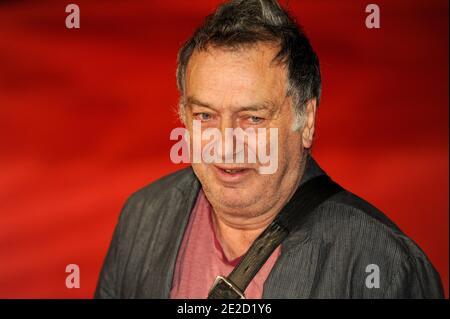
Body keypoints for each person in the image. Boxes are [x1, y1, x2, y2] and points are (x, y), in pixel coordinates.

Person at [95, 0, 444, 298]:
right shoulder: (142, 218)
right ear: (184, 116)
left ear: (305, 121)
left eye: (253, 118)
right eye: (205, 115)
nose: (226, 142)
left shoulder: (385, 262)